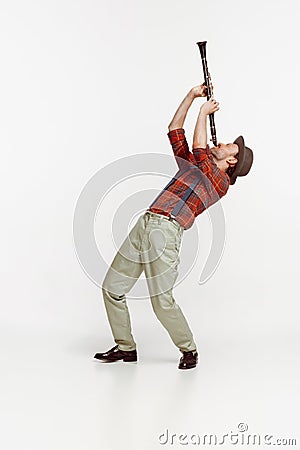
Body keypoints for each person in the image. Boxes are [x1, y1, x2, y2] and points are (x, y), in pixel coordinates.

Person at [94, 83, 254, 370]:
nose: (226, 143)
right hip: (145, 223)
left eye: (231, 147)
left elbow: (200, 147)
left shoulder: (220, 184)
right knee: (112, 288)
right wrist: (192, 97)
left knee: (161, 301)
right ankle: (125, 347)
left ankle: (188, 349)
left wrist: (204, 113)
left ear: (231, 161)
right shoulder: (192, 165)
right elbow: (174, 128)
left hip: (166, 232)